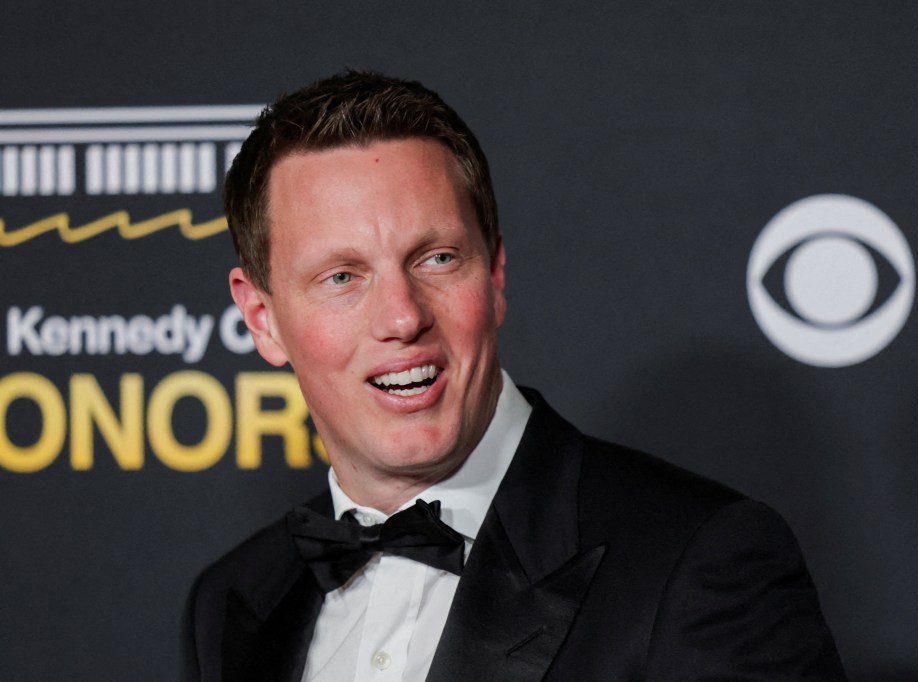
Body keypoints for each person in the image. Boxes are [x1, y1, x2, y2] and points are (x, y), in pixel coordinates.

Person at [182, 70, 846, 682]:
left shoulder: (698, 561)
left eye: (437, 258)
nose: (402, 316)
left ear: (494, 275)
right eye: (342, 278)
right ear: (262, 319)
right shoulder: (232, 603)